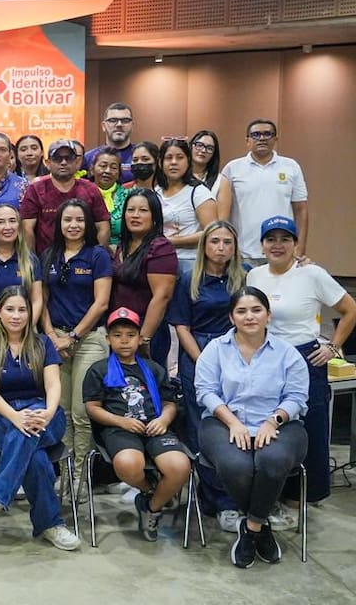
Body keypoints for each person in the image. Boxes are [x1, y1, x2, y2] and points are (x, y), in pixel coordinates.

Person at [193, 286, 310, 568]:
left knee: (273, 460)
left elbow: (297, 396)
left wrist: (274, 420)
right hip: (223, 422)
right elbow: (205, 391)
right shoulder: (215, 349)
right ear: (231, 317)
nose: (249, 317)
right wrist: (233, 422)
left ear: (268, 315)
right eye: (241, 311)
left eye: (256, 310)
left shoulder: (287, 353)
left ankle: (253, 527)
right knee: (236, 466)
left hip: (281, 423)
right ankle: (261, 523)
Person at [247, 216, 355, 511]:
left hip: (305, 357)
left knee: (311, 426)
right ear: (262, 244)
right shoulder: (254, 277)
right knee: (270, 424)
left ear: (296, 244)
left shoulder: (312, 274)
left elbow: (349, 309)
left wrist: (333, 347)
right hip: (267, 357)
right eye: (271, 239)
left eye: (285, 239)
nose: (277, 245)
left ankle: (304, 496)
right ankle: (272, 491)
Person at [0, 287, 81, 551]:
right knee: (35, 455)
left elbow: (54, 385)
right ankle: (50, 525)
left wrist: (49, 412)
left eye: (22, 310)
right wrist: (15, 416)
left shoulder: (43, 343)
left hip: (44, 414)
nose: (16, 316)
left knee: (27, 435)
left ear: (31, 313)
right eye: (10, 309)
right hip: (0, 416)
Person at [83, 307, 190, 541]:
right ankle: (153, 489)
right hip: (119, 429)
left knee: (180, 466)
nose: (124, 341)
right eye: (118, 335)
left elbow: (170, 403)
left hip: (155, 427)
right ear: (108, 339)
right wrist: (120, 421)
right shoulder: (98, 370)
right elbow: (92, 407)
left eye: (130, 335)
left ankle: (150, 507)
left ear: (140, 338)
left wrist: (163, 419)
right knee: (128, 463)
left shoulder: (154, 369)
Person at [169, 220, 247, 530]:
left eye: (227, 242)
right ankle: (212, 497)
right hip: (197, 355)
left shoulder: (245, 277)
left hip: (237, 354)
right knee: (201, 427)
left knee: (235, 425)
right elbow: (182, 326)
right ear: (204, 246)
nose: (221, 248)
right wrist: (204, 361)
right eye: (215, 241)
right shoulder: (189, 279)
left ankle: (234, 497)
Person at [40, 198, 113, 488]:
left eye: (79, 220)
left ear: (88, 225)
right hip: (55, 338)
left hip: (90, 340)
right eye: (67, 220)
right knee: (63, 412)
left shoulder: (98, 255)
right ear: (58, 224)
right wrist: (51, 336)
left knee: (83, 414)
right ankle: (66, 474)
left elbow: (101, 303)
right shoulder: (49, 255)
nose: (73, 225)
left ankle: (81, 477)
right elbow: (40, 302)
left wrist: (72, 337)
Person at [217, 119, 309, 265]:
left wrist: (300, 249)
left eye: (267, 134)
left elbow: (301, 210)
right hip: (243, 253)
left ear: (275, 139)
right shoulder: (232, 168)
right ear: (247, 140)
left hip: (281, 252)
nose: (261, 138)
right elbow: (223, 216)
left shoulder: (291, 166)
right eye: (256, 134)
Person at [112, 189, 178, 367]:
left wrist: (144, 338)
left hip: (146, 332)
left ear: (154, 216)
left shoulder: (160, 247)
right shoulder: (124, 245)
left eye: (143, 210)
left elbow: (162, 296)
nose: (135, 215)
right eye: (130, 210)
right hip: (119, 329)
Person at [20, 139, 111, 255]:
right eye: (58, 158)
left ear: (77, 162)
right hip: (46, 261)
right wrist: (32, 263)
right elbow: (27, 229)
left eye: (69, 158)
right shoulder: (35, 189)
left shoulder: (91, 189)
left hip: (85, 261)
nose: (63, 162)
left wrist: (98, 257)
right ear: (47, 163)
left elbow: (103, 227)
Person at [157, 138, 218, 273]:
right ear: (160, 163)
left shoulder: (199, 192)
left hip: (189, 263)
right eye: (168, 158)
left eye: (180, 158)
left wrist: (171, 241)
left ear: (188, 161)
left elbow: (212, 232)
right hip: (159, 260)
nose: (174, 162)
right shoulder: (156, 192)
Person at [0, 203, 42, 319]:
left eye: (12, 221)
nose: (8, 227)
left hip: (24, 326)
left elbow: (37, 301)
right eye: (0, 222)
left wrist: (27, 328)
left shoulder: (30, 259)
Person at [84, 102, 137, 183]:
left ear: (132, 125)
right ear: (103, 126)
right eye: (113, 120)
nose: (119, 124)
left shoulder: (141, 157)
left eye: (125, 120)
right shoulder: (88, 158)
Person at [91, 147, 125, 250]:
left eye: (113, 167)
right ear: (92, 170)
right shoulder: (82, 194)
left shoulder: (128, 196)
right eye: (103, 166)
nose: (107, 171)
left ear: (119, 172)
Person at [189, 129, 223, 197]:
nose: (203, 150)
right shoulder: (179, 176)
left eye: (209, 148)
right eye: (199, 145)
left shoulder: (220, 181)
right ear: (191, 146)